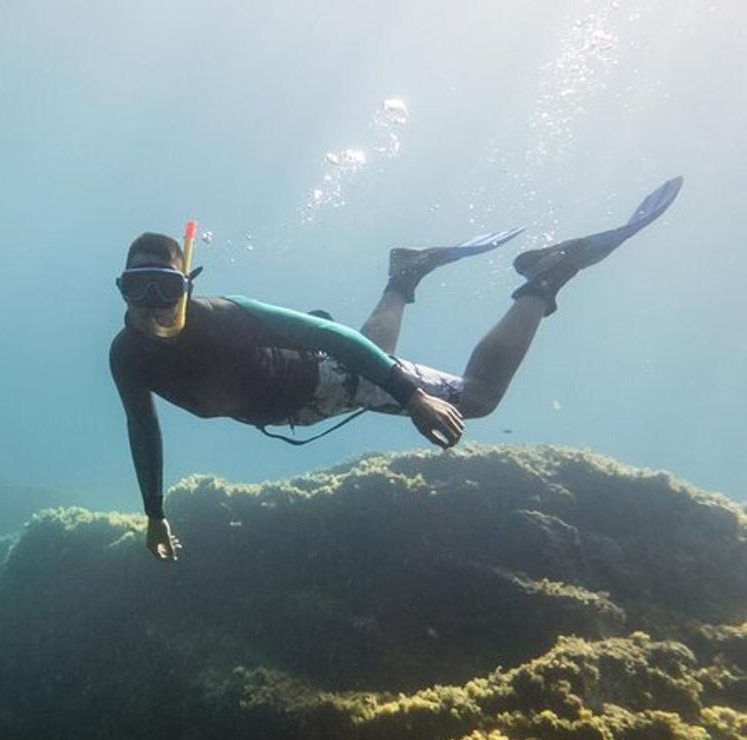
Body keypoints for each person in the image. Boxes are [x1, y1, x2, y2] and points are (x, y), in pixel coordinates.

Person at [110, 178, 683, 560]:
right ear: (123, 292)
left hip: (324, 378)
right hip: (309, 402)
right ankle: (404, 273)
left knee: (477, 398)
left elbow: (325, 336)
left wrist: (411, 397)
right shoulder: (127, 356)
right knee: (365, 356)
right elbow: (143, 428)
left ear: (191, 286)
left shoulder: (221, 316)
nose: (153, 303)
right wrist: (154, 513)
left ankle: (545, 277)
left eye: (167, 287)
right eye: (138, 289)